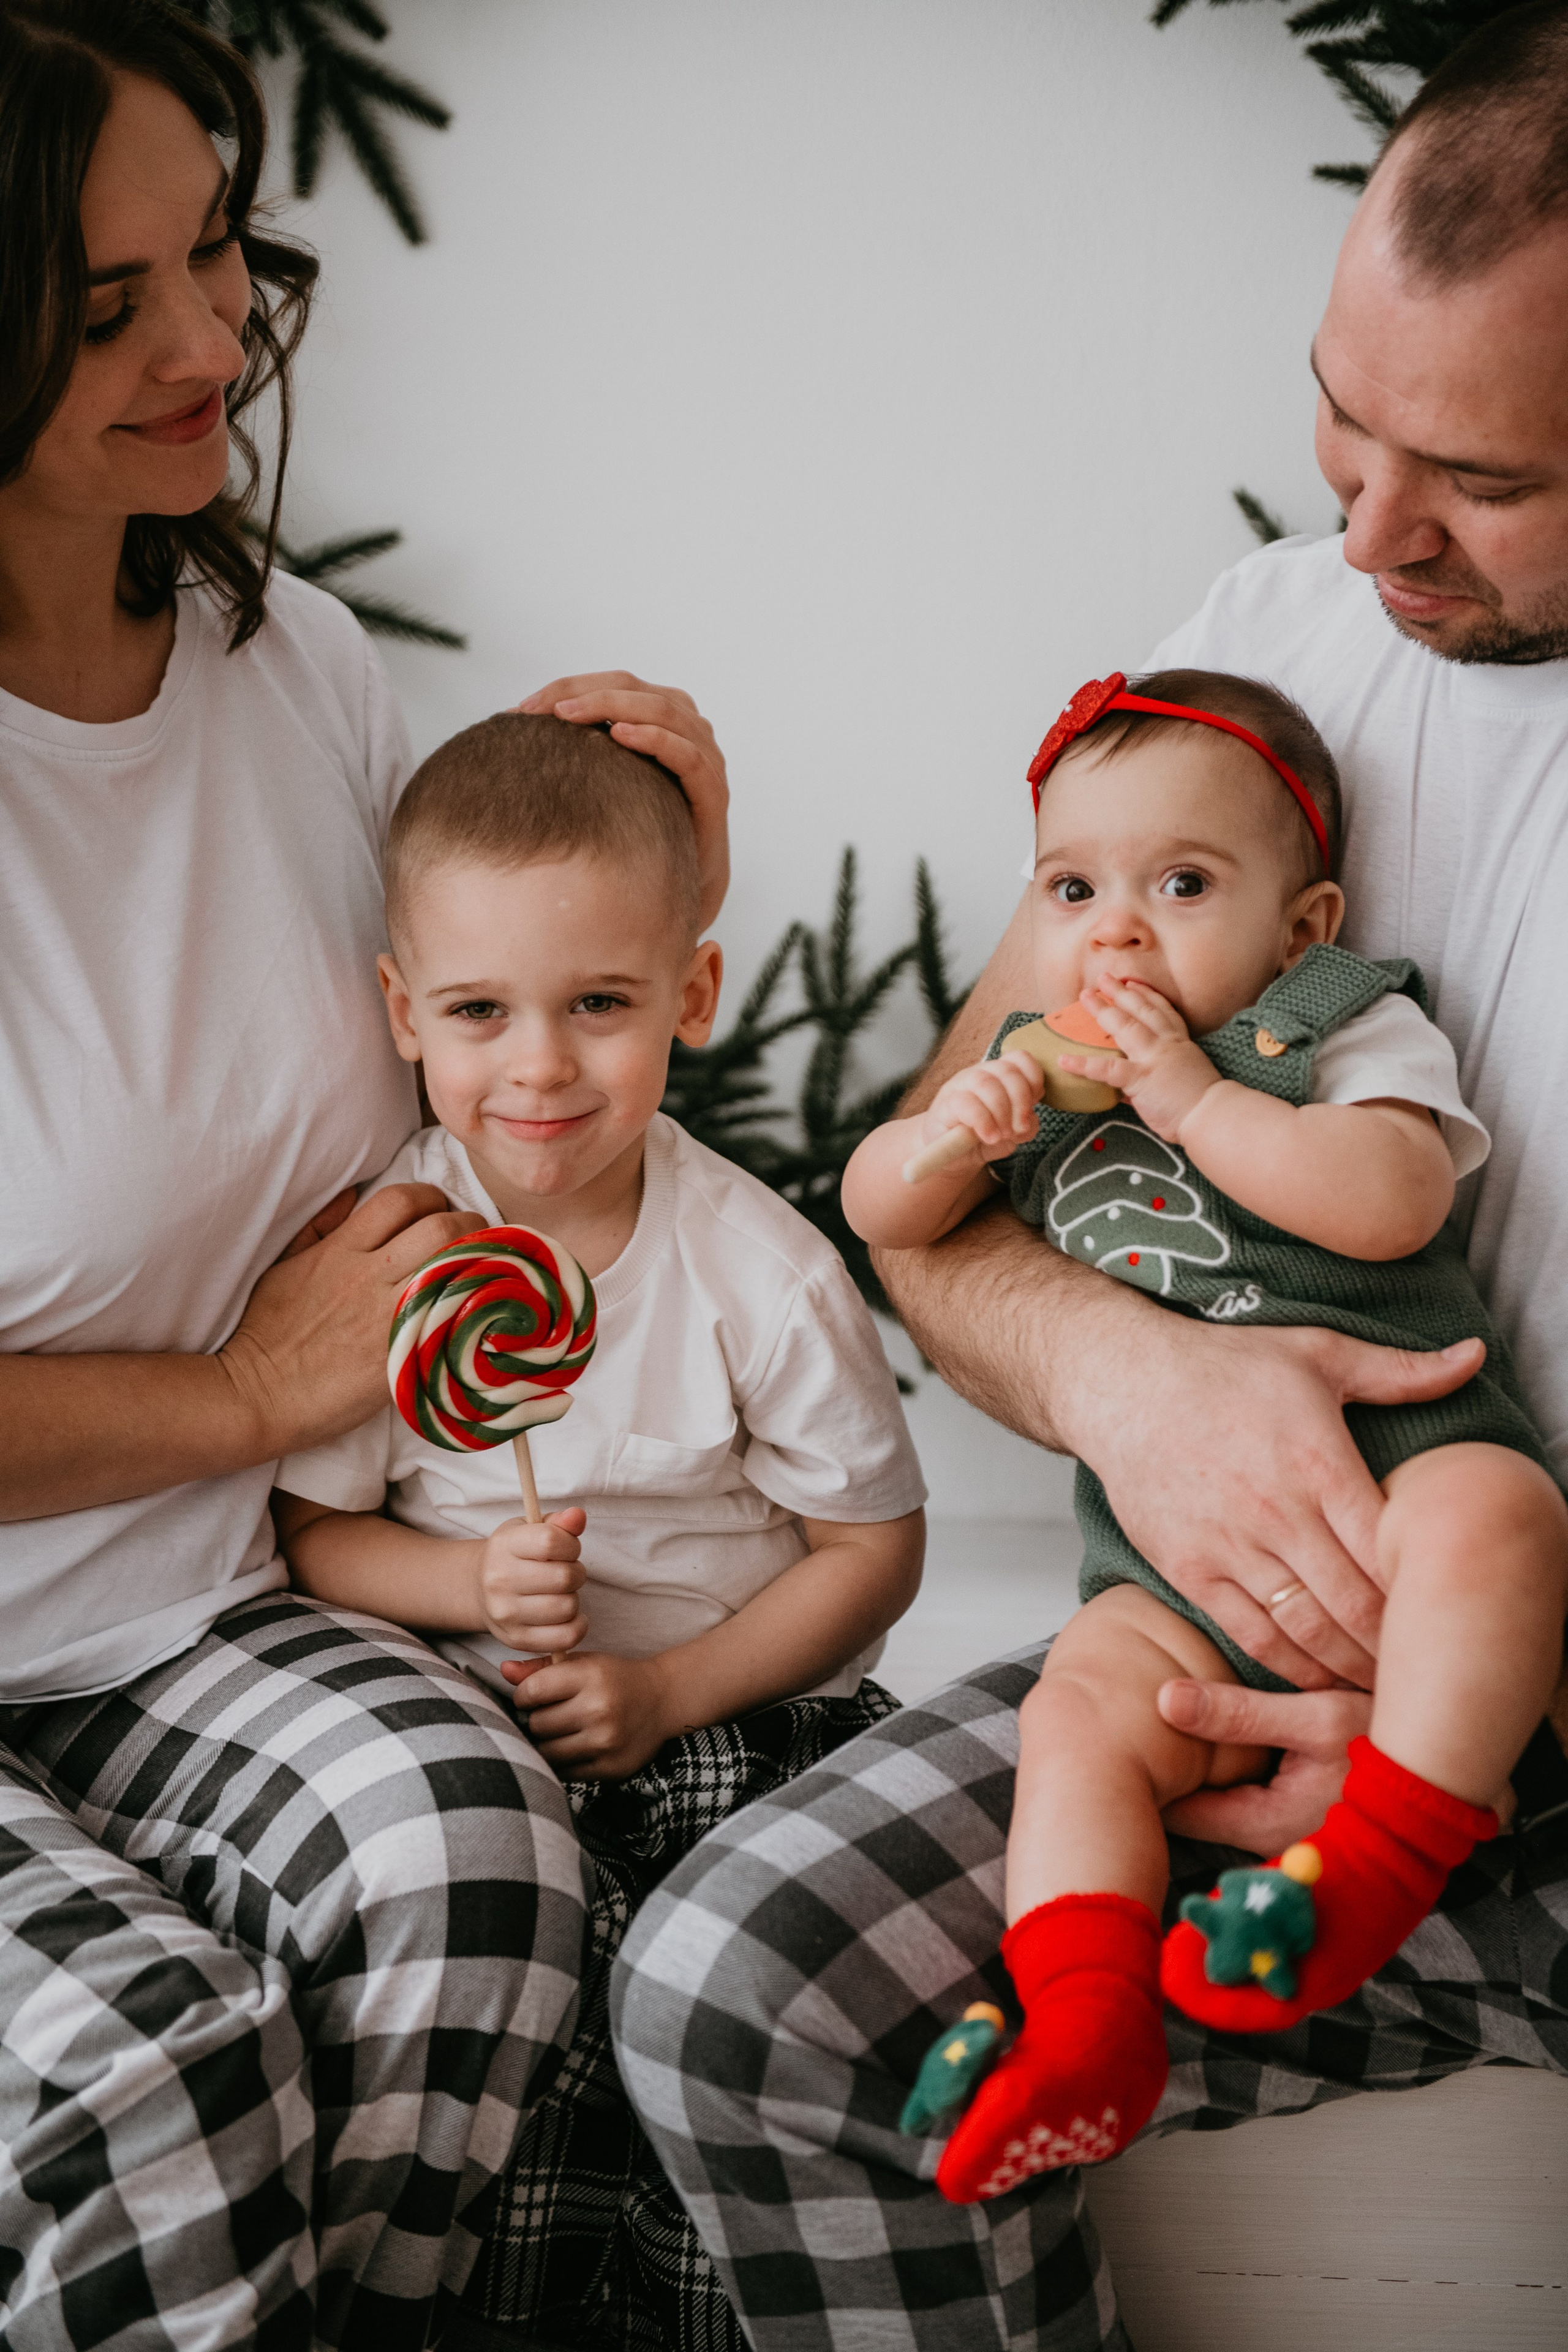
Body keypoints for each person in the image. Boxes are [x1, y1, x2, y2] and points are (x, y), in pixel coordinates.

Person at [611, 9, 1568, 2345]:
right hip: (1212, 1653)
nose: (1368, 534)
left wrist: (1477, 1712)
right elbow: (946, 1197)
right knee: (730, 1989)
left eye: (1483, 478)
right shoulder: (1259, 661)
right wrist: (1140, 1385)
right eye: (1341, 420)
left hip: (1484, 1682)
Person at [0, 6, 728, 2345]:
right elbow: (263, 1359)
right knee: (147, 2073)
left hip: (189, 1605)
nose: (211, 339)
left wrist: (657, 864)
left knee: (481, 1863)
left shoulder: (284, 660)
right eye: (110, 310)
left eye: (215, 254)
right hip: (167, 1521)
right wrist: (234, 1393)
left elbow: (488, 1067)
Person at [844, 665, 1566, 2198]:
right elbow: (881, 1222)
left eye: (1179, 884)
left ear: (1298, 926)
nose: (1115, 931)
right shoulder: (1033, 1077)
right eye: (1071, 887)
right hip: (1170, 1581)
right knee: (1080, 1715)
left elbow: (1392, 1198)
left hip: (1408, 1471)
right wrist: (938, 1141)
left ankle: (1374, 1865)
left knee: (1500, 1525)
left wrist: (1188, 1097)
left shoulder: (1331, 1024)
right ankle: (1086, 2019)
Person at [271, 711, 925, 2343]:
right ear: (401, 1010)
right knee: (522, 2074)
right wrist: (460, 1578)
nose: (541, 1065)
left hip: (747, 1723)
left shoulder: (761, 1275)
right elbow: (311, 1537)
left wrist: (674, 1691)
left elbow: (876, 1551)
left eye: (602, 1006)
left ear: (690, 998)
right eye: (480, 1012)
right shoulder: (395, 1259)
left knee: (733, 2033)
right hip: (485, 1737)